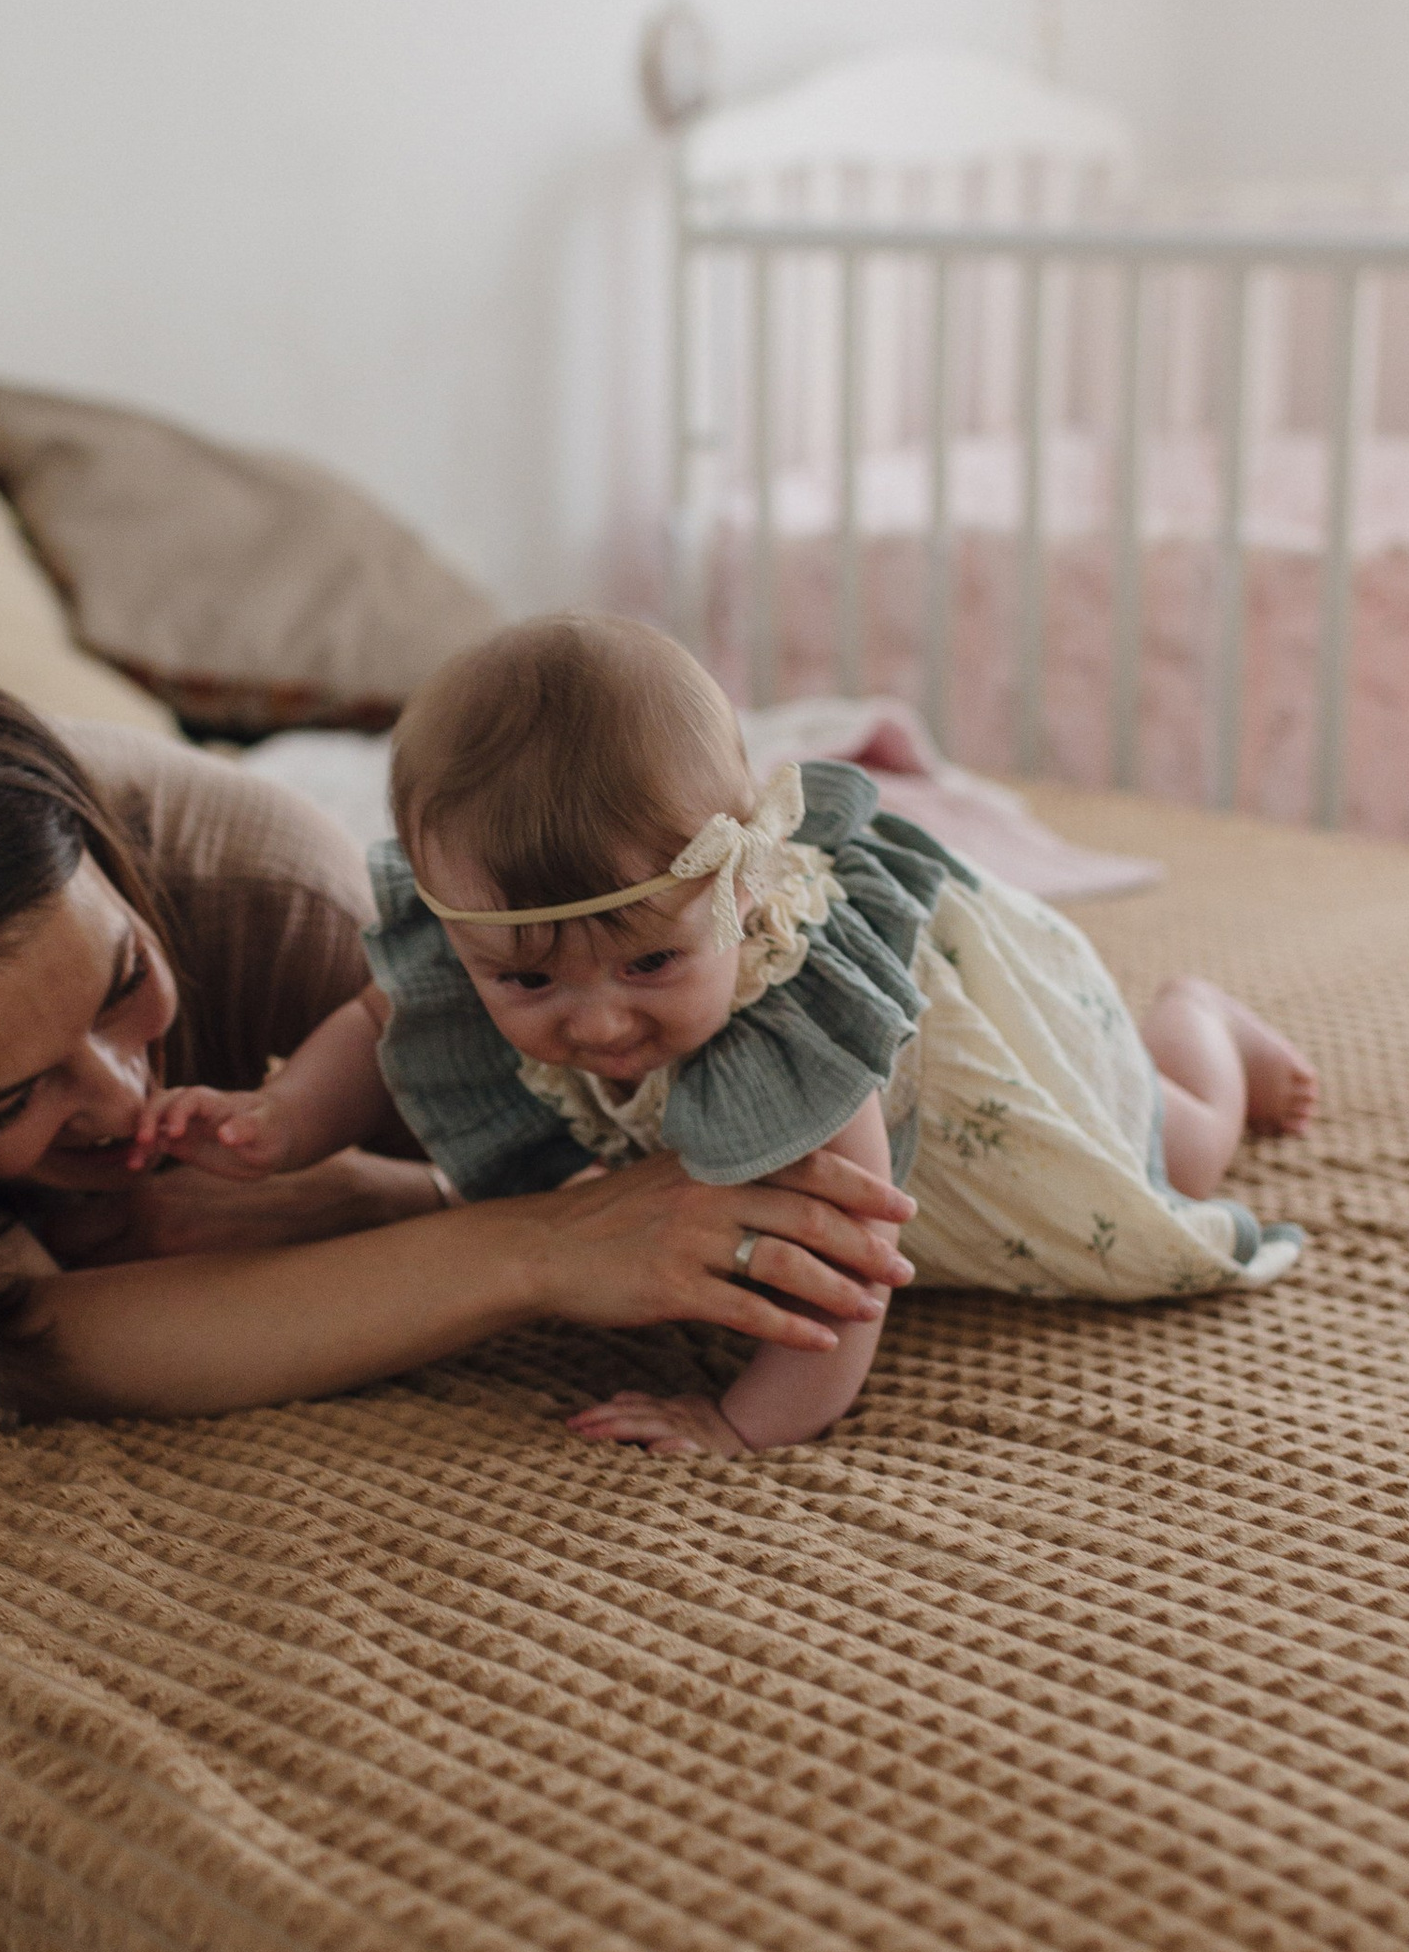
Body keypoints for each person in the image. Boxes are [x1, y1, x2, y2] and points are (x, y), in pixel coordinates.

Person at [0, 633, 915, 1418]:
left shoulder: (276, 899)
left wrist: (360, 1193)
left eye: (121, 990)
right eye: (0, 1102)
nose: (112, 1098)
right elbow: (21, 1334)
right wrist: (535, 1252)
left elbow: (515, 1122)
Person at [143, 615, 1315, 1455]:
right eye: (525, 981)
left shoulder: (795, 1034)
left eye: (651, 961)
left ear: (740, 896)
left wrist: (743, 1419)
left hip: (987, 1093)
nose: (596, 1019)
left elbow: (845, 1270)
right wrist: (282, 1117)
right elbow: (374, 1017)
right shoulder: (485, 948)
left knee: (1185, 1145)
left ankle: (1200, 1019)